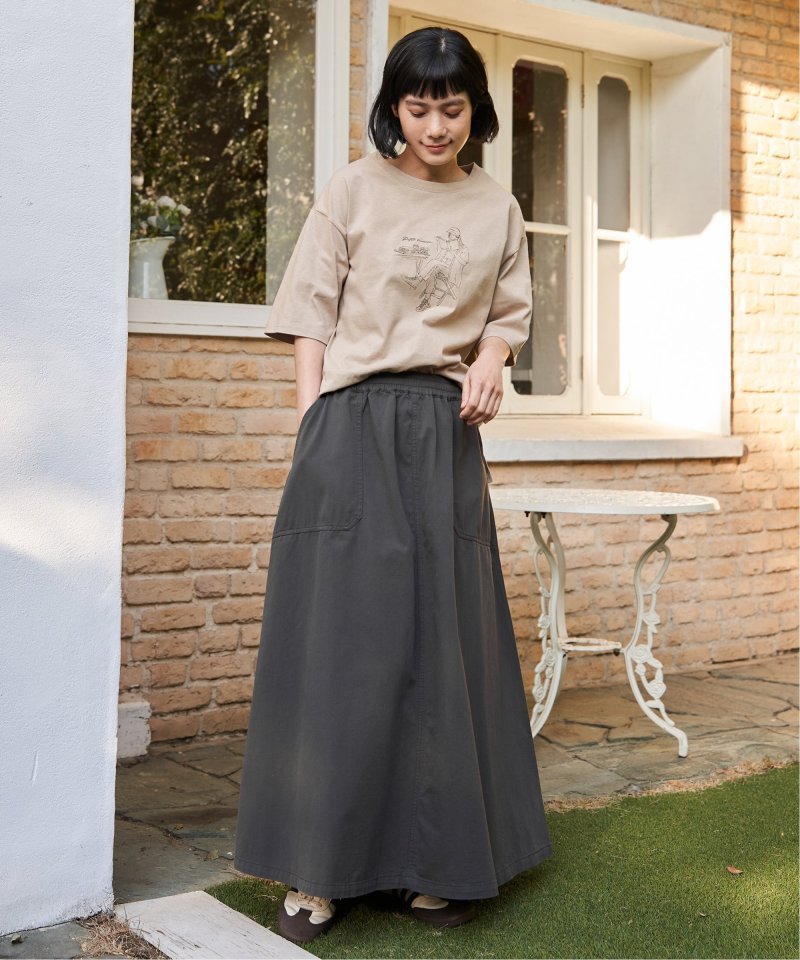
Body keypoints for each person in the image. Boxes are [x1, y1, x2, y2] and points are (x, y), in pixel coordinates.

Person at [233, 24, 554, 945]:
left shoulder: (497, 206)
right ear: (394, 109)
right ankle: (317, 872)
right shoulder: (352, 189)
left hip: (445, 433)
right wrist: (311, 424)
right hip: (352, 425)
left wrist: (491, 358)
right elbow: (310, 313)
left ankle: (435, 863)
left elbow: (508, 314)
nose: (435, 127)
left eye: (452, 108)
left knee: (444, 647)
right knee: (342, 645)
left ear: (476, 109)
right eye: (418, 108)